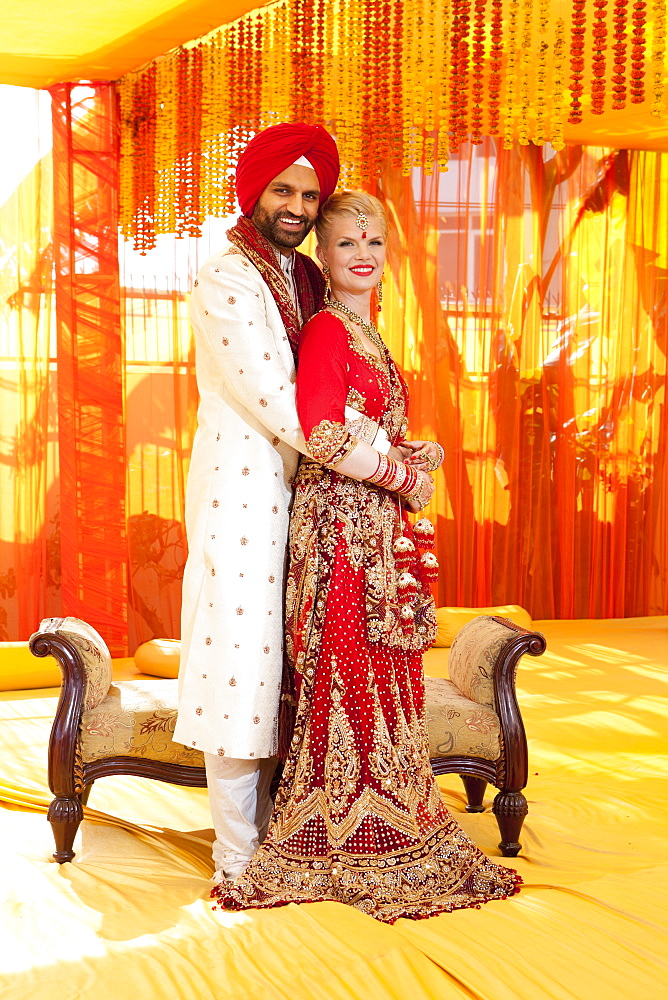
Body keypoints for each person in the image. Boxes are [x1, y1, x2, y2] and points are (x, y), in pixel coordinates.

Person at [215, 192, 521, 922]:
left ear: (389, 252)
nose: (362, 254)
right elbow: (318, 431)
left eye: (375, 242)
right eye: (347, 242)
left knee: (382, 673)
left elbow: (360, 425)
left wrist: (406, 455)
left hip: (371, 530)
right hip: (341, 538)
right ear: (323, 253)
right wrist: (402, 474)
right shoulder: (327, 329)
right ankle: (347, 827)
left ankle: (389, 814)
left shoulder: (366, 331)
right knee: (350, 675)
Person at [175, 127, 394, 884]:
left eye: (309, 194)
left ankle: (288, 835)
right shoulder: (229, 279)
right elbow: (282, 400)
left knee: (291, 669)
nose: (298, 207)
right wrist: (384, 465)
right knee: (242, 666)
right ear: (254, 192)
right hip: (243, 490)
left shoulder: (301, 281)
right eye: (283, 191)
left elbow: (335, 383)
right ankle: (237, 861)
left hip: (305, 497)